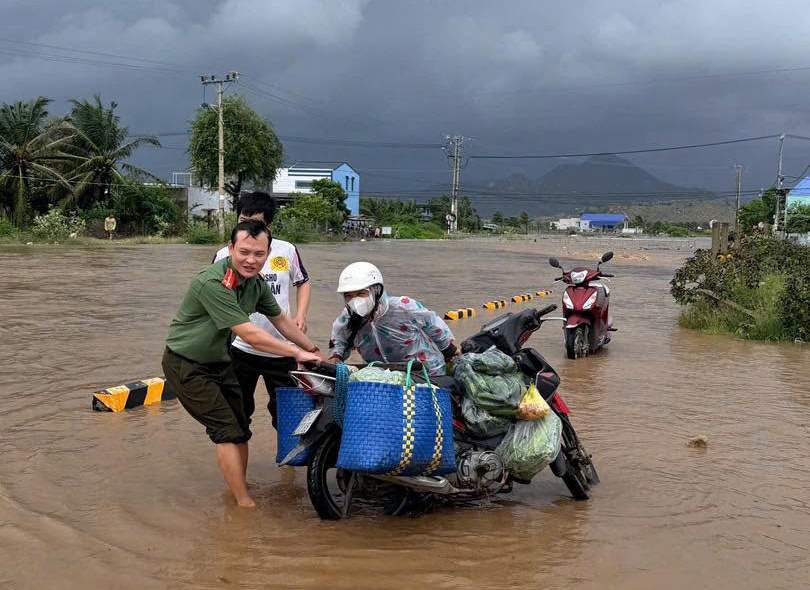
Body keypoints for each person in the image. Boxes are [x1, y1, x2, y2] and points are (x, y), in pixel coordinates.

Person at [163, 220, 322, 508]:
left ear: (269, 253)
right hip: (186, 365)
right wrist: (294, 353)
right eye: (244, 252)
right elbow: (249, 334)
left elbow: (282, 320)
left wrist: (312, 349)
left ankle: (239, 486)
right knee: (226, 430)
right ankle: (243, 504)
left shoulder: (255, 284)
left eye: (259, 254)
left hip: (219, 361)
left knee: (240, 427)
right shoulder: (211, 283)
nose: (251, 260)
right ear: (230, 249)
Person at [213, 192, 312, 429]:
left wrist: (300, 315)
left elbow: (303, 282)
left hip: (281, 350)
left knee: (287, 417)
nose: (248, 229)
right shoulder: (223, 256)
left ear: (268, 225)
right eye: (243, 220)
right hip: (239, 349)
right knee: (237, 414)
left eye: (255, 223)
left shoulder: (286, 250)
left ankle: (287, 465)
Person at [327, 262, 457, 376]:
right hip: (382, 378)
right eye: (349, 296)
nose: (355, 300)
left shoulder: (403, 307)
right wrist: (336, 357)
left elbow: (434, 325)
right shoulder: (348, 317)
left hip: (425, 373)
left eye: (361, 294)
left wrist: (449, 351)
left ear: (376, 290)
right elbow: (339, 339)